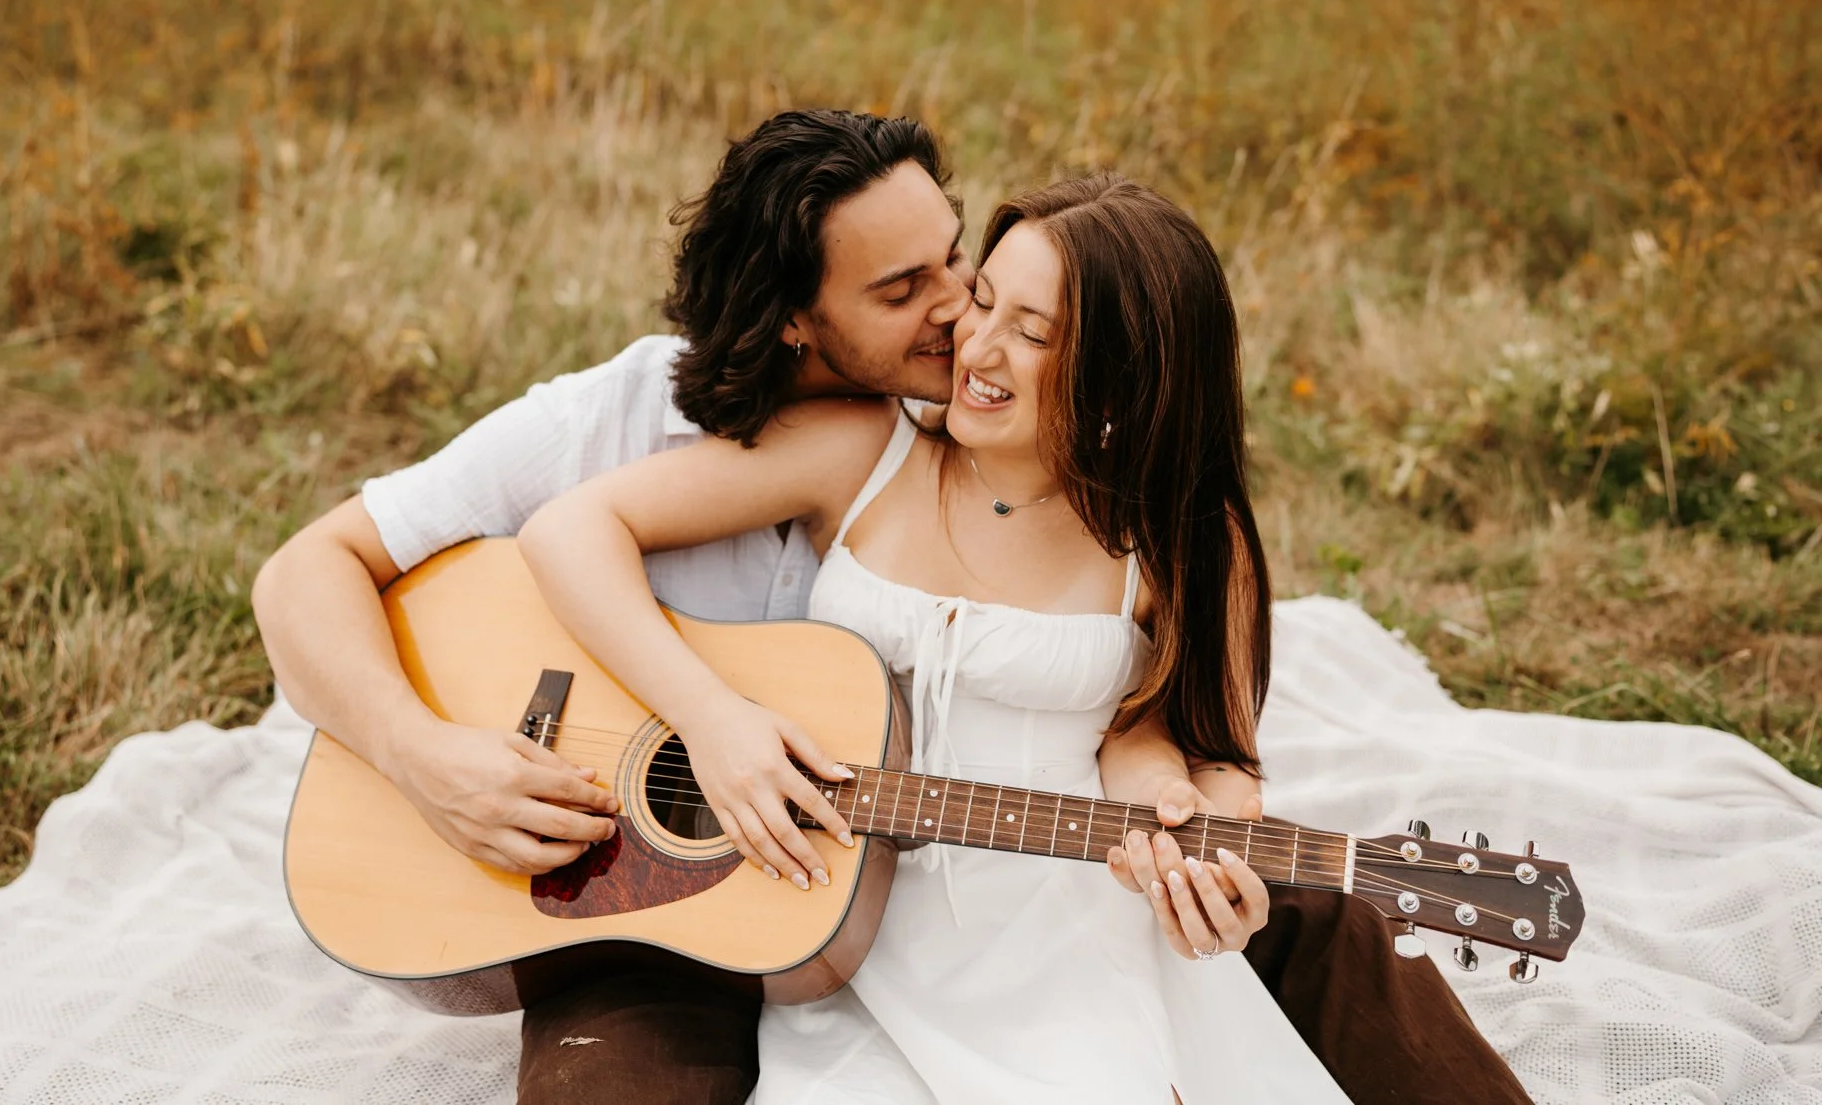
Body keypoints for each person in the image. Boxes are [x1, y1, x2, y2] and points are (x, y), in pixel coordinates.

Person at [253, 112, 1532, 1103]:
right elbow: (315, 568)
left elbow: (1171, 729)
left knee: (1319, 907)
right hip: (638, 889)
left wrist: (1186, 806)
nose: (958, 321)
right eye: (907, 291)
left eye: (963, 270)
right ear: (799, 329)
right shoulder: (644, 427)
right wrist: (433, 755)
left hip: (911, 880)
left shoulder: (1074, 485)